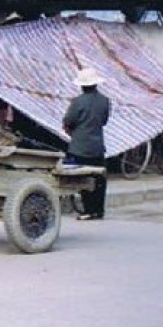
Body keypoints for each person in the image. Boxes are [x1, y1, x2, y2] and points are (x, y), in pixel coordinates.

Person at [62, 67, 111, 220]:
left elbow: (68, 121)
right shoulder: (105, 101)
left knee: (83, 178)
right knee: (99, 179)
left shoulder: (77, 102)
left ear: (82, 86)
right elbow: (104, 121)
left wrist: (70, 130)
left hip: (79, 147)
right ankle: (98, 210)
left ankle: (88, 210)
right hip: (97, 146)